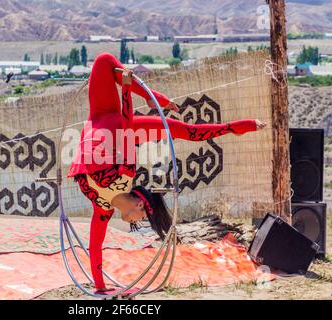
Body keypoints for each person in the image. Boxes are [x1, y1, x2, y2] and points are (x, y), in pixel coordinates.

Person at [67, 52, 267, 292]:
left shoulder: (102, 207)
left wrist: (100, 288)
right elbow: (127, 128)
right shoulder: (125, 178)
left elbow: (94, 244)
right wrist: (128, 91)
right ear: (140, 205)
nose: (136, 222)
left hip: (105, 127)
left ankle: (235, 128)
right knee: (104, 60)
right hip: (118, 128)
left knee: (186, 131)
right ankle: (157, 99)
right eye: (142, 218)